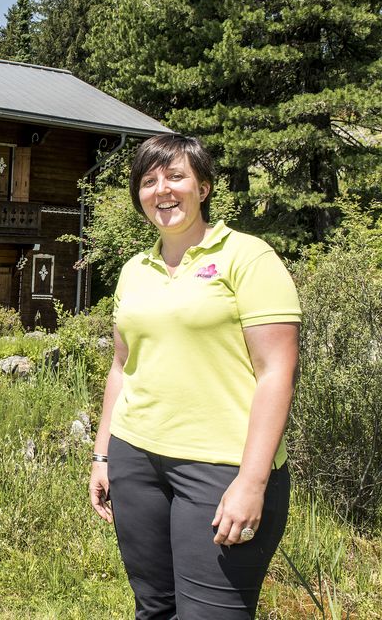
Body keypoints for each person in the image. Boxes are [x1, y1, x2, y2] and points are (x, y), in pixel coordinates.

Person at [89, 134, 301, 619]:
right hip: (135, 460)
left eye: (176, 176)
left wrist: (253, 481)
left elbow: (276, 372)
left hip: (220, 467)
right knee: (155, 609)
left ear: (203, 187)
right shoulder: (134, 271)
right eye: (149, 180)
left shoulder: (248, 257)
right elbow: (122, 366)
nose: (162, 189)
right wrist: (103, 454)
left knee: (212, 613)